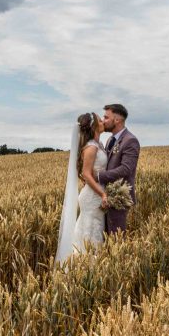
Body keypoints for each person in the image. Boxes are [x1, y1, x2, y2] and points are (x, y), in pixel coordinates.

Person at [55, 112, 108, 263]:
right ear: (94, 126)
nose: (103, 121)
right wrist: (102, 194)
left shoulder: (98, 144)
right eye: (100, 119)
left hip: (96, 194)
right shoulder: (91, 147)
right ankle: (85, 266)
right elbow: (86, 174)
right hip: (93, 197)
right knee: (89, 232)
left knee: (94, 231)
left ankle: (89, 267)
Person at [97, 103, 140, 236]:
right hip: (105, 195)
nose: (103, 121)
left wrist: (98, 177)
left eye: (106, 117)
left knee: (116, 237)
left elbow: (125, 169)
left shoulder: (130, 140)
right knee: (105, 236)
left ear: (117, 120)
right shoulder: (110, 139)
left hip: (119, 196)